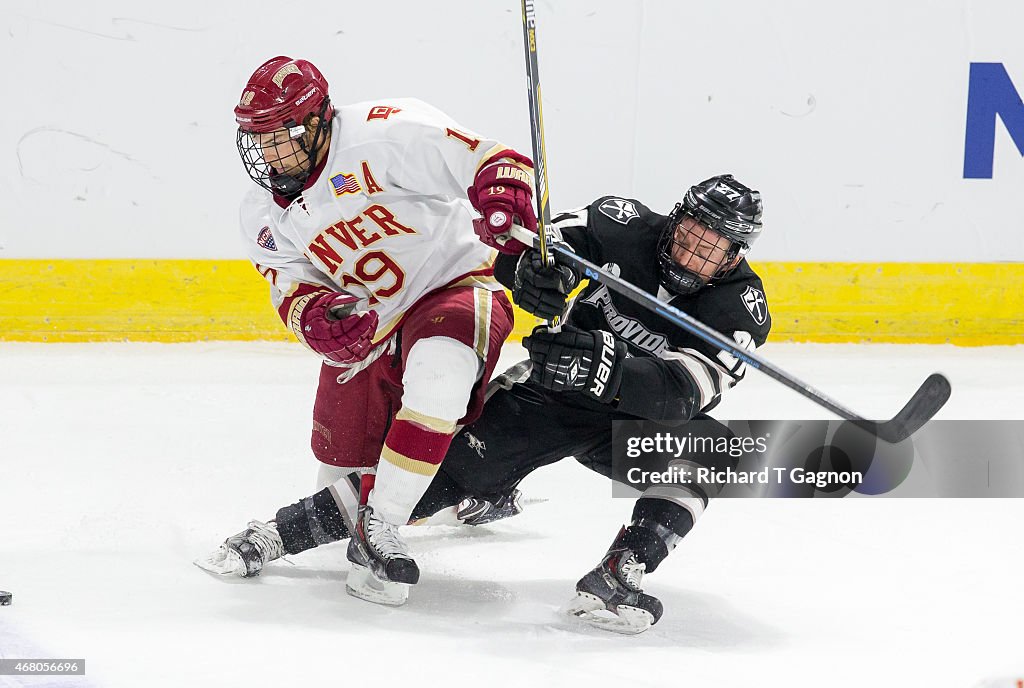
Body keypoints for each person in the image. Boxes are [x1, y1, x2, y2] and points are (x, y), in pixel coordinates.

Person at [199, 172, 771, 632]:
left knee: (716, 455)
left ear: (734, 255)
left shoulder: (740, 308)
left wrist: (611, 368)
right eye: (690, 233)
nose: (693, 252)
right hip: (550, 396)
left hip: (634, 417)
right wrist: (530, 274)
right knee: (436, 476)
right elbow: (526, 249)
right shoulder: (620, 222)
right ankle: (276, 533)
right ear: (676, 220)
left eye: (711, 247)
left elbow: (685, 393)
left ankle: (621, 574)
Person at [223, 55, 546, 605]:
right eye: (260, 139)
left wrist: (501, 193)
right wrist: (317, 318)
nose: (271, 154)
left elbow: (492, 159)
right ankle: (469, 491)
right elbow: (291, 285)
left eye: (284, 136)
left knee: (438, 383)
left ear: (321, 120)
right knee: (341, 479)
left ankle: (383, 533)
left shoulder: (386, 131)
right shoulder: (259, 211)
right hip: (372, 320)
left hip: (453, 284)